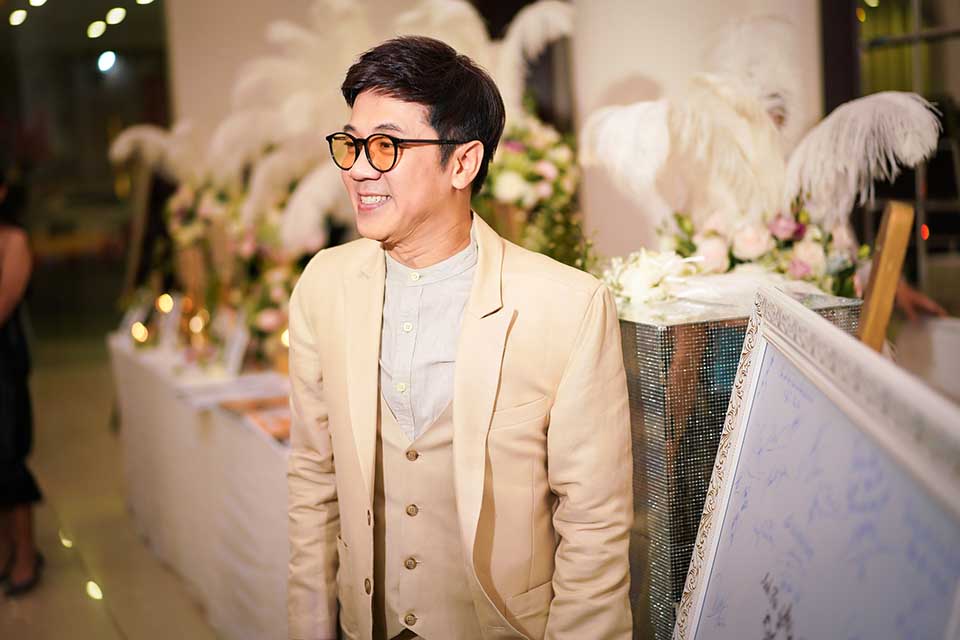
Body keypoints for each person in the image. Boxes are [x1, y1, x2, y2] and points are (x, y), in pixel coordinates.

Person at [287, 37, 633, 640]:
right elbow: (313, 482)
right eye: (352, 144)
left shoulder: (567, 305)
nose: (359, 169)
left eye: (387, 146)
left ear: (463, 163)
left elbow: (594, 525)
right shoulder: (324, 284)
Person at [0, 168, 44, 597]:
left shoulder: (13, 240)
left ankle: (27, 554)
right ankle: (5, 548)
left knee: (8, 454)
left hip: (3, 365)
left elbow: (5, 299)